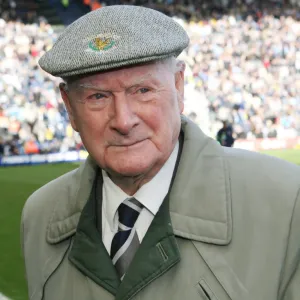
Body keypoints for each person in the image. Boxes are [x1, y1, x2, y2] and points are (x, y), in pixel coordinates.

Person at [21, 5, 300, 300]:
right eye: (97, 97)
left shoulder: (287, 201)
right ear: (69, 107)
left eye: (142, 90)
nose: (124, 120)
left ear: (179, 86)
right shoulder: (41, 217)